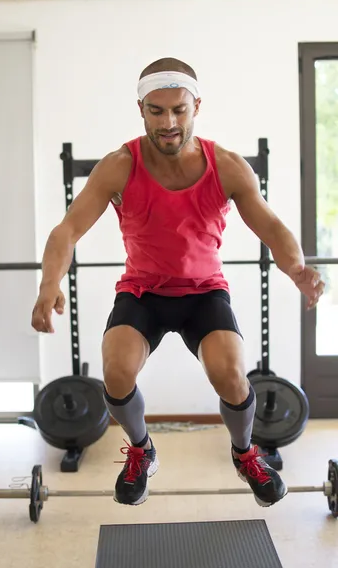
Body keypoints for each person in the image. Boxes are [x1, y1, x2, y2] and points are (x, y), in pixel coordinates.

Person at [31, 57, 324, 508]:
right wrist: (49, 284)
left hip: (204, 292)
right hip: (143, 293)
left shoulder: (225, 165)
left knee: (231, 375)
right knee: (116, 369)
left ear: (196, 107)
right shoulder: (119, 165)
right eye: (156, 110)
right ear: (142, 109)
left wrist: (296, 267)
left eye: (178, 110)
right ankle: (142, 450)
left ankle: (246, 453)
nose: (168, 122)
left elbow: (270, 224)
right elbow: (66, 230)